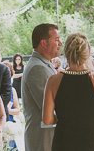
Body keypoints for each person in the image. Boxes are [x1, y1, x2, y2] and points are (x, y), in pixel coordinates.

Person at [42, 32, 94, 151]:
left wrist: (65, 118)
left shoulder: (53, 81)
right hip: (89, 142)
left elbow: (47, 119)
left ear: (67, 53)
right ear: (87, 54)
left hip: (62, 143)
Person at [22, 23, 62, 151]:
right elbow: (50, 107)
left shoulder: (45, 64)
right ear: (44, 43)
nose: (60, 43)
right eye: (56, 40)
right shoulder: (37, 68)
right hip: (42, 140)